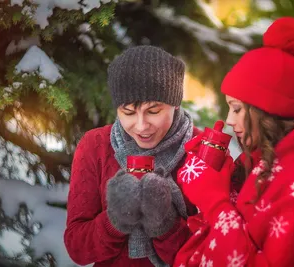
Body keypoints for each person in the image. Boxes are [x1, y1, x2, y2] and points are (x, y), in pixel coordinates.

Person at [174, 17, 294, 267]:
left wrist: (214, 200)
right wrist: (226, 179)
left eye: (237, 109)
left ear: (267, 111)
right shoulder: (268, 159)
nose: (229, 120)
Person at [64, 45, 200, 267]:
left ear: (175, 104)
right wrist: (114, 220)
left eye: (153, 111)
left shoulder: (201, 148)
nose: (141, 126)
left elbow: (211, 254)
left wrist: (166, 224)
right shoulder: (95, 145)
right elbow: (77, 249)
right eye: (128, 112)